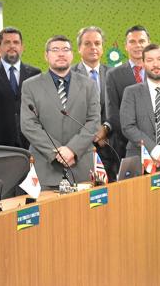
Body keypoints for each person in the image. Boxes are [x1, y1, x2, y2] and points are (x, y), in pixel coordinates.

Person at [20, 35, 100, 188]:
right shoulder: (30, 86)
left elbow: (94, 122)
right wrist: (56, 152)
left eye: (65, 50)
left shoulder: (89, 85)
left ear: (72, 54)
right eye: (55, 50)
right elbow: (28, 125)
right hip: (46, 166)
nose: (61, 54)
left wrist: (72, 149)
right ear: (46, 55)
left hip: (81, 166)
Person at [0, 27, 40, 148]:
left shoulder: (35, 73)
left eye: (16, 42)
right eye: (7, 42)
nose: (12, 46)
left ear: (22, 47)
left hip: (30, 142)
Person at [72, 26, 117, 179]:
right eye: (87, 43)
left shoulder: (114, 74)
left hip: (109, 146)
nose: (93, 47)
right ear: (79, 48)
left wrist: (106, 128)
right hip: (79, 148)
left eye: (97, 43)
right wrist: (90, 133)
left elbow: (118, 109)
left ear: (102, 47)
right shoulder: (69, 76)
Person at [105, 25, 152, 161]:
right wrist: (136, 137)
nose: (137, 45)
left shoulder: (159, 71)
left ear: (148, 43)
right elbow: (113, 113)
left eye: (142, 41)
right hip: (125, 145)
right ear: (126, 46)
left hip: (157, 144)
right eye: (132, 42)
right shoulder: (113, 75)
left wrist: (152, 140)